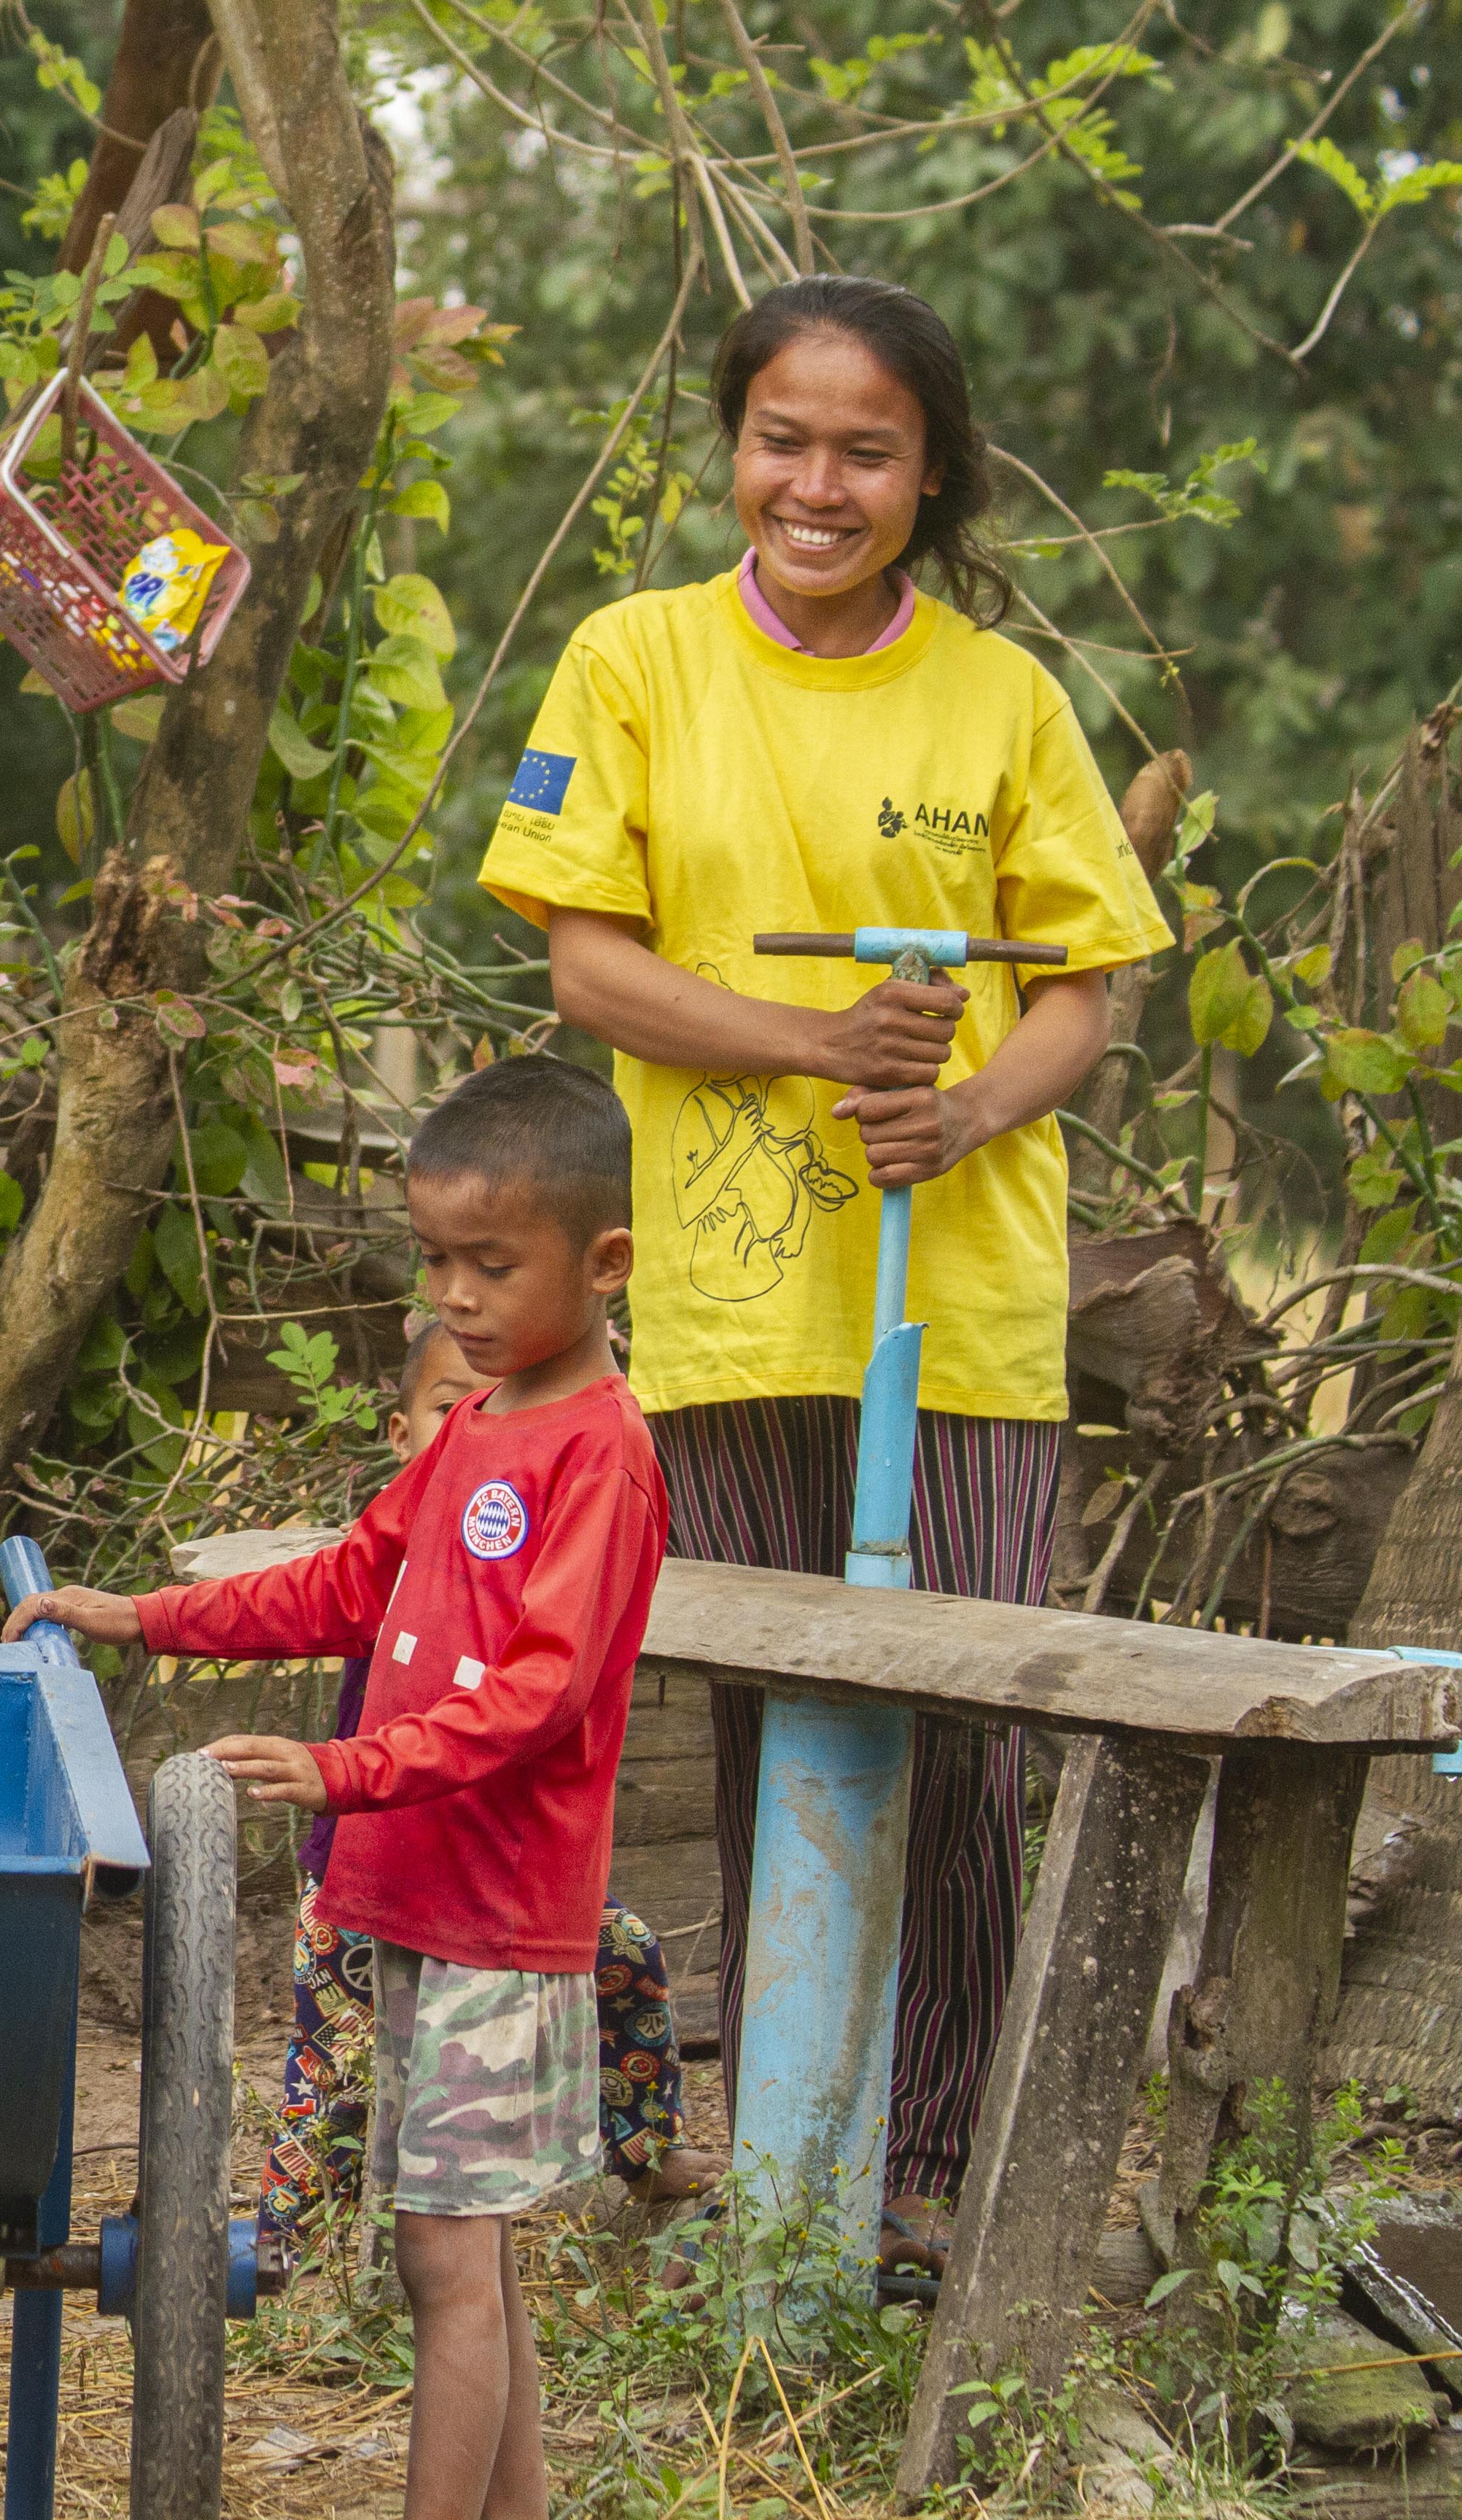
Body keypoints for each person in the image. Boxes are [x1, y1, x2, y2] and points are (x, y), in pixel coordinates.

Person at [473, 273, 1173, 2279]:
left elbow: (1082, 994)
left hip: (955, 1319)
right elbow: (586, 960)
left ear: (930, 474)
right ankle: (782, 2150)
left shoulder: (1003, 701)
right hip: (722, 1302)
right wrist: (814, 1047)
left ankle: (931, 2167)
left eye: (866, 450)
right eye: (784, 437)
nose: (817, 481)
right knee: (772, 1722)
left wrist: (952, 1117)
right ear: (734, 447)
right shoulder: (636, 663)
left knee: (972, 1739)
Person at [12, 1055, 666, 2520]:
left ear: (605, 1261)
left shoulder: (600, 1452)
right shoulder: (481, 1423)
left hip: (500, 1909)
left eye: (492, 1266)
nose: (454, 1299)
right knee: (466, 2253)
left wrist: (341, 1770)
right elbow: (352, 1582)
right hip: (420, 1897)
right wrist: (146, 1616)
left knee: (445, 2258)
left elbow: (538, 1694)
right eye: (435, 1262)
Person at [257, 1318, 720, 2271]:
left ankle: (643, 2147)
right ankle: (285, 2242)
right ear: (402, 1437)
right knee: (338, 2062)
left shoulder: (545, 1545)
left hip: (500, 1891)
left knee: (623, 1951)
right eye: (450, 1407)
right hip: (365, 1880)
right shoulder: (404, 1549)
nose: (479, 1423)